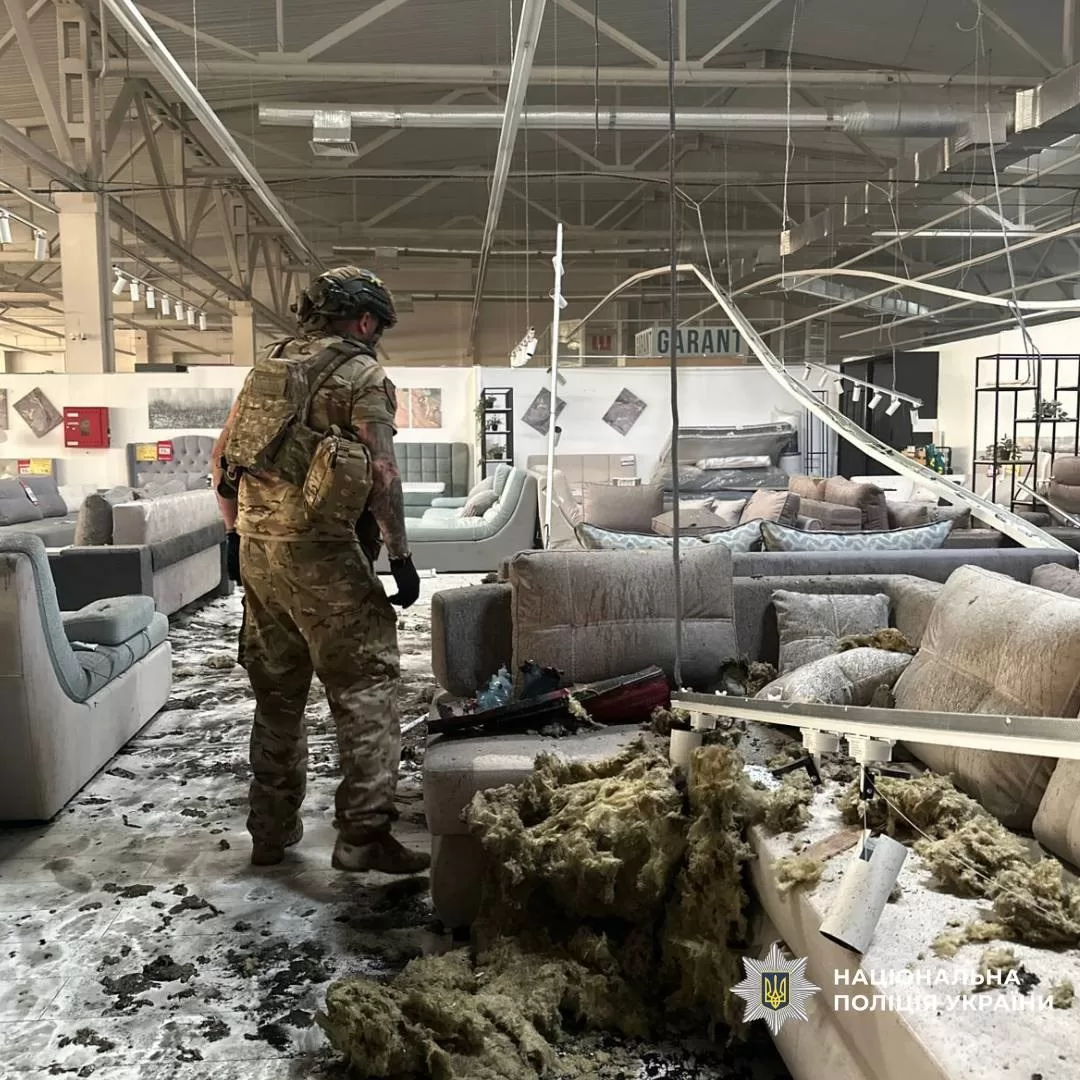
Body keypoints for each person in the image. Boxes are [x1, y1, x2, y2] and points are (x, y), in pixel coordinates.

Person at [211, 266, 426, 875]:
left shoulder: (267, 368)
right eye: (378, 326)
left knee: (277, 695)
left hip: (259, 552)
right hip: (325, 554)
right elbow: (382, 472)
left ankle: (270, 832)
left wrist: (235, 534)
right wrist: (400, 555)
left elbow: (222, 460)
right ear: (365, 320)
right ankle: (363, 834)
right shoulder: (364, 376)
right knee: (367, 684)